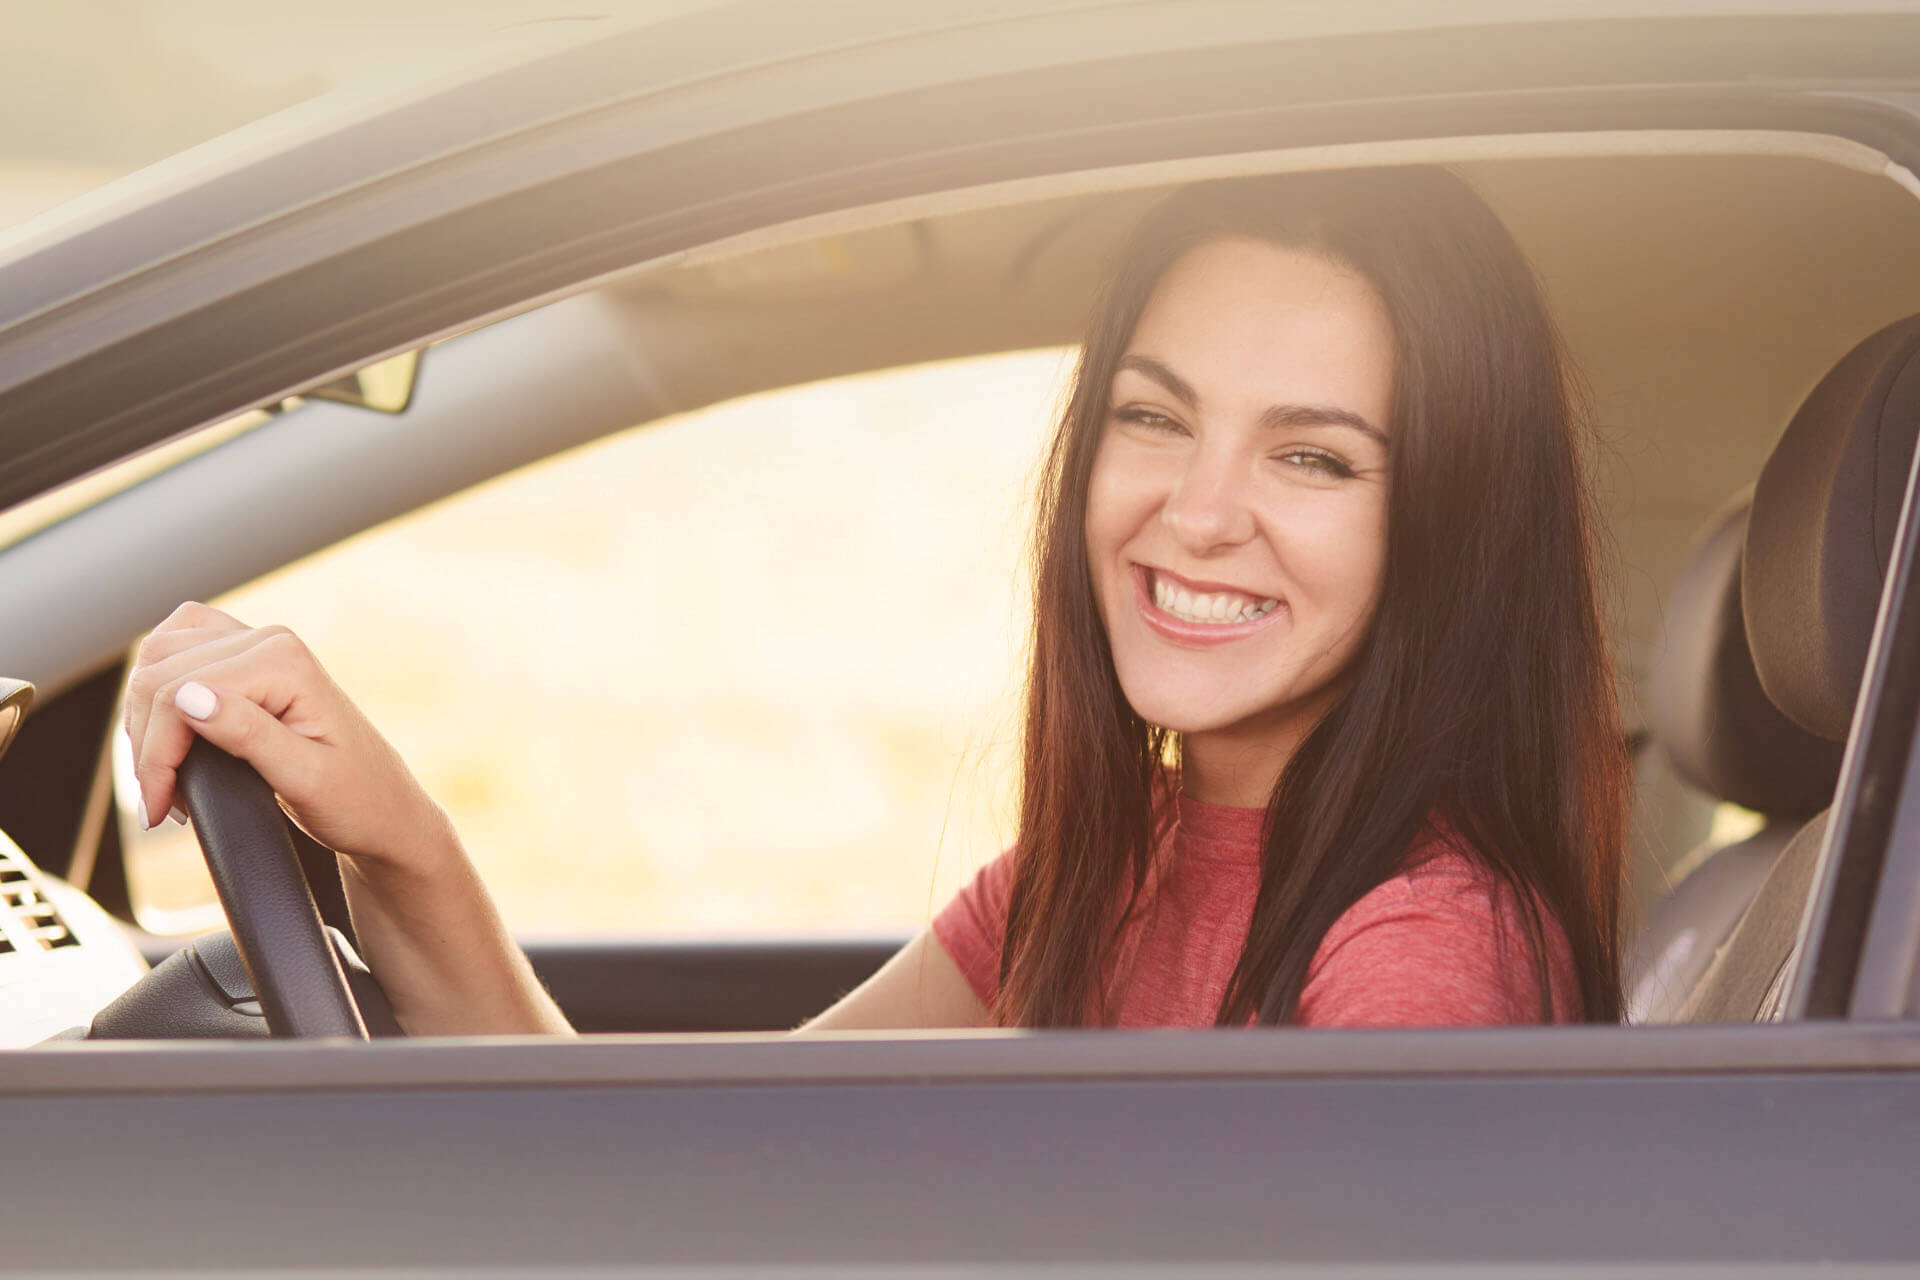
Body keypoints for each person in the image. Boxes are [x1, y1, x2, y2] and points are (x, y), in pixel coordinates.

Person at [122, 167, 1627, 1035]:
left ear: (1445, 526)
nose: (1201, 512)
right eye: (1155, 418)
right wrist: (399, 841)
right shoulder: (1123, 858)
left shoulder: (1419, 960)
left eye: (1311, 455)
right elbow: (687, 1187)